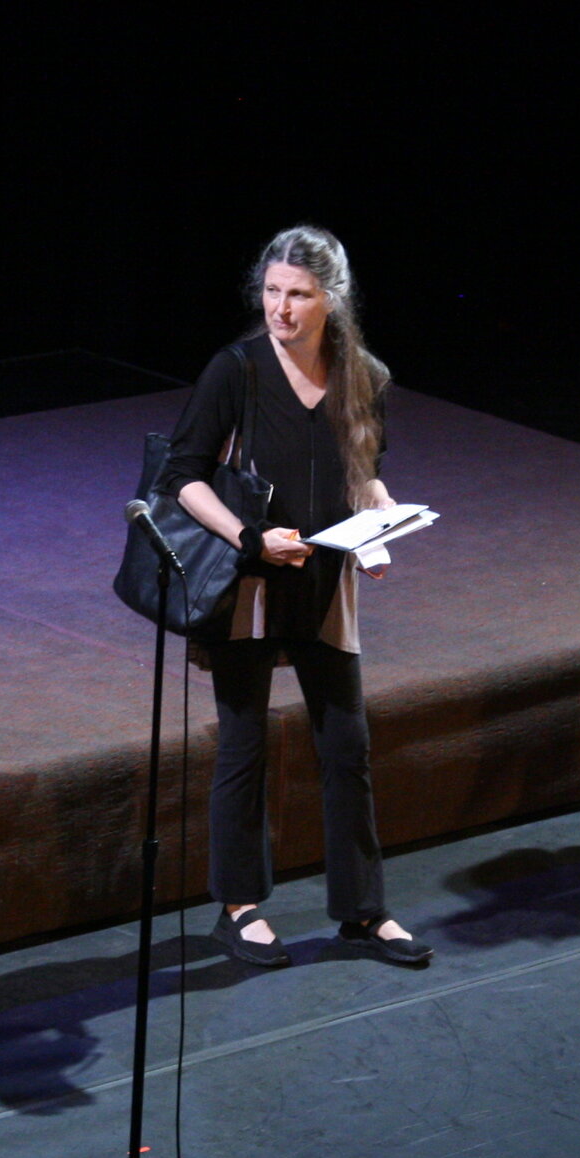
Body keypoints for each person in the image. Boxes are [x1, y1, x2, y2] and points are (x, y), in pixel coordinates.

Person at [158, 227, 431, 970]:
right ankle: (238, 906)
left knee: (347, 745)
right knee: (245, 744)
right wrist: (249, 538)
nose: (280, 308)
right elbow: (179, 476)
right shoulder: (236, 370)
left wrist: (380, 525)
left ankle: (363, 910)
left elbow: (363, 472)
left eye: (299, 295)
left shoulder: (364, 376)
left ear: (331, 300)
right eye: (273, 291)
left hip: (323, 581)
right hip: (250, 581)